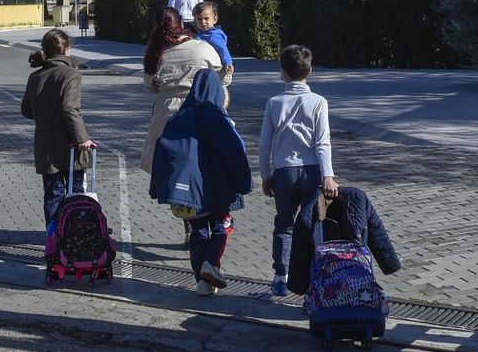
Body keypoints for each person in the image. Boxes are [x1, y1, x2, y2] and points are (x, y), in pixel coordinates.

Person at [149, 68, 251, 294]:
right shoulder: (219, 120)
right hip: (216, 190)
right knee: (220, 226)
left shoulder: (178, 118)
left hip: (186, 192)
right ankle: (211, 263)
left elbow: (163, 152)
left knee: (197, 230)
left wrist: (158, 185)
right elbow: (235, 154)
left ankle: (202, 282)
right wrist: (245, 183)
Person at [259, 44, 338, 297]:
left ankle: (280, 277)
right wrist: (328, 175)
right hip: (313, 172)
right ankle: (312, 283)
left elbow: (264, 144)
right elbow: (322, 142)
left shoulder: (273, 103)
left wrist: (265, 174)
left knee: (284, 224)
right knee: (313, 226)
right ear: (310, 71)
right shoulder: (319, 102)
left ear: (282, 73)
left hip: (284, 172)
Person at [20, 29, 97, 228]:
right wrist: (83, 139)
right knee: (75, 193)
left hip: (46, 147)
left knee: (52, 195)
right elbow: (70, 109)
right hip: (71, 145)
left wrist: (45, 111)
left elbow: (27, 111)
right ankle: (75, 236)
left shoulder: (35, 76)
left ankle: (53, 238)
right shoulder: (71, 74)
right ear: (67, 50)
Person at [139, 7, 223, 174]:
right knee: (208, 161)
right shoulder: (203, 48)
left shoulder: (157, 54)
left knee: (170, 168)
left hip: (167, 113)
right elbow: (221, 78)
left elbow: (150, 86)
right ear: (182, 24)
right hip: (202, 110)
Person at [286, 185, 402, 296]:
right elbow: (376, 229)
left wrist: (297, 286)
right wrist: (390, 264)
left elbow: (299, 250)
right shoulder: (357, 198)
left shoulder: (310, 206)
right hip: (357, 282)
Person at [192, 1, 234, 106]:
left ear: (215, 19)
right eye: (199, 19)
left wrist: (228, 62)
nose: (203, 22)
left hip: (218, 69)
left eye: (206, 19)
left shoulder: (213, 35)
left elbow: (223, 49)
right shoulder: (202, 34)